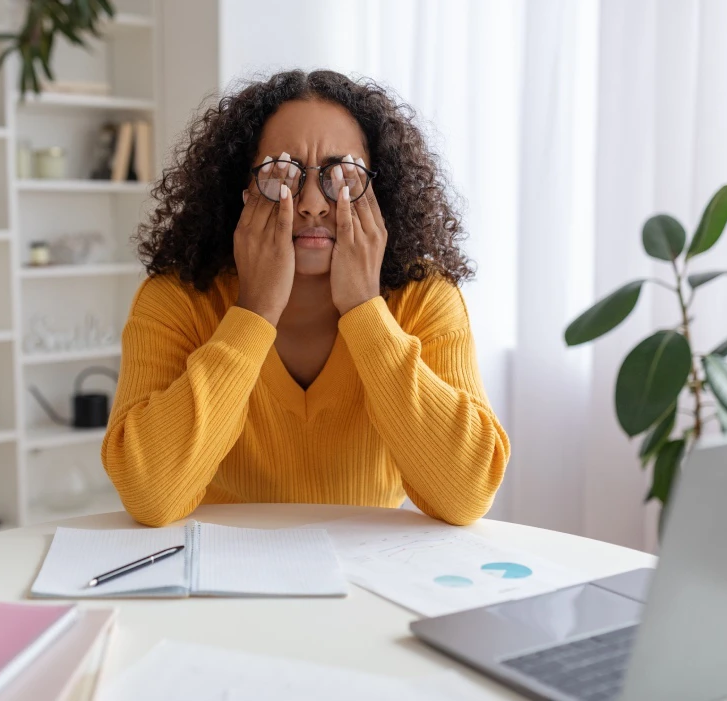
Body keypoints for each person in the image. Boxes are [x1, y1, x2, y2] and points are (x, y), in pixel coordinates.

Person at [102, 69, 510, 527]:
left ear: (381, 192)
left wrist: (364, 309)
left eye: (344, 177)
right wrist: (253, 312)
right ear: (242, 192)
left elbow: (467, 495)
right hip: (223, 577)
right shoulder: (178, 299)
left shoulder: (423, 299)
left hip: (368, 580)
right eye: (282, 175)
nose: (313, 202)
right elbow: (149, 495)